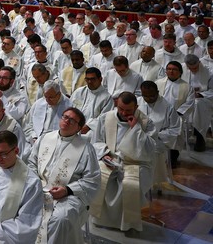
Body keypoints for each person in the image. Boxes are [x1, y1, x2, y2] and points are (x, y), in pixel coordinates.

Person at [26, 107, 101, 244]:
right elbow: (31, 163)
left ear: (79, 128)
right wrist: (35, 183)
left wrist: (67, 190)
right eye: (65, 117)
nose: (66, 121)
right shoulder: (45, 138)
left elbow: (92, 180)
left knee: (60, 219)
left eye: (72, 120)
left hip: (69, 195)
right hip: (39, 188)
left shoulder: (86, 148)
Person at [90, 91, 156, 231]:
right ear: (116, 104)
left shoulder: (145, 122)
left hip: (137, 163)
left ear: (136, 107)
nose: (124, 113)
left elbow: (150, 149)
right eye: (121, 109)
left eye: (128, 110)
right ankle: (100, 219)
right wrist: (105, 154)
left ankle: (127, 223)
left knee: (131, 184)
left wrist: (136, 128)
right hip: (110, 159)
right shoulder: (105, 118)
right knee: (99, 175)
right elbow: (96, 141)